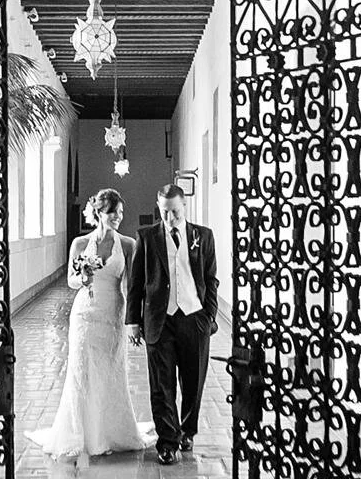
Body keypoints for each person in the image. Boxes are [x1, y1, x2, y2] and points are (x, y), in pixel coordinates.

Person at [27, 188, 154, 460]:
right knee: (82, 370)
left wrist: (134, 321)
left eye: (120, 213)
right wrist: (82, 279)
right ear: (98, 213)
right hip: (84, 314)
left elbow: (132, 287)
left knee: (111, 369)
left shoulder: (129, 245)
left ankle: (111, 431)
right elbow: (72, 280)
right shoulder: (80, 244)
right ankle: (82, 432)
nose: (118, 218)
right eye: (112, 213)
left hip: (113, 312)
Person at [125, 181, 219, 464]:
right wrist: (132, 321)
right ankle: (167, 441)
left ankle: (187, 431)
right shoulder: (147, 237)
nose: (170, 218)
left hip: (194, 319)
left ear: (184, 206)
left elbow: (211, 279)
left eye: (175, 212)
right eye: (164, 212)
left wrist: (209, 316)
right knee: (161, 385)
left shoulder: (204, 236)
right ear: (159, 208)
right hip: (159, 320)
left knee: (193, 382)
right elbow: (136, 282)